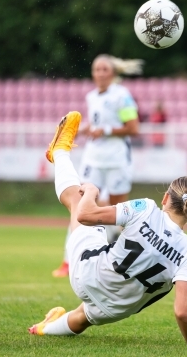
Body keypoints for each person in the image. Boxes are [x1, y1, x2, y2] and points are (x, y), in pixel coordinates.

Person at [32, 111, 187, 346]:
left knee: (77, 202)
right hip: (115, 310)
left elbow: (86, 216)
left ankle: (59, 152)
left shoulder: (146, 208)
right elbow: (182, 312)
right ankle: (41, 330)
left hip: (87, 276)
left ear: (166, 198)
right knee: (82, 318)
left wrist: (91, 192)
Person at [52, 55, 142, 277]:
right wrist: (79, 131)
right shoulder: (91, 96)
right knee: (80, 204)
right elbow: (97, 122)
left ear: (112, 73)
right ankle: (68, 261)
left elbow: (133, 128)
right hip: (94, 160)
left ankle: (122, 261)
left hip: (117, 160)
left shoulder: (122, 96)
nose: (100, 73)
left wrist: (106, 131)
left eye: (104, 69)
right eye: (96, 69)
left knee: (119, 212)